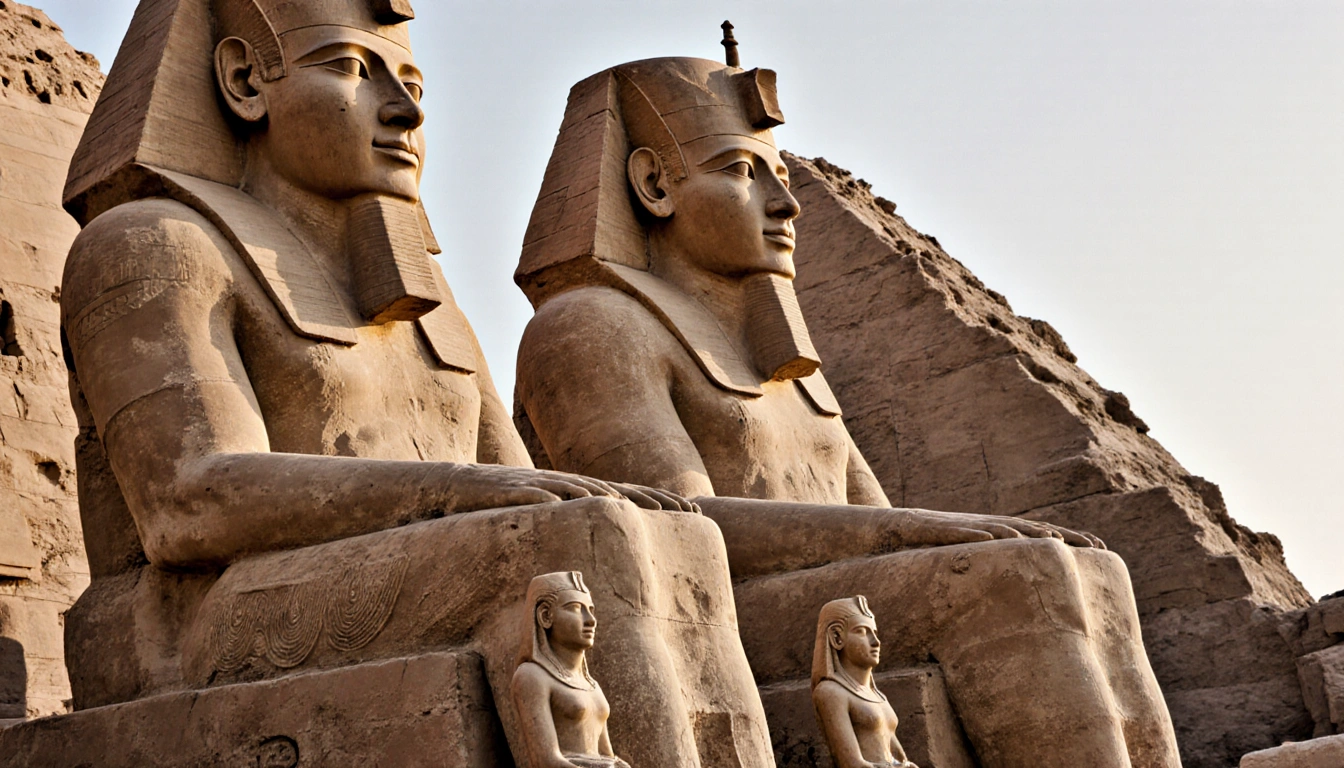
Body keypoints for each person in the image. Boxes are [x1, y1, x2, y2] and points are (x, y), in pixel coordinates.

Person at [58, 4, 772, 765]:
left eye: (411, 84)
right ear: (242, 81)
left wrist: (487, 494)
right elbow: (186, 502)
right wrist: (453, 491)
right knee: (582, 537)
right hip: (198, 614)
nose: (403, 112)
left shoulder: (436, 305)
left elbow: (529, 487)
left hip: (394, 563)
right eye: (349, 69)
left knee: (661, 532)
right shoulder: (152, 243)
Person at [515, 56, 1182, 767]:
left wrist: (944, 534)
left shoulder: (788, 367)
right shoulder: (593, 327)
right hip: (720, 611)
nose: (786, 204)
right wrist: (937, 533)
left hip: (827, 598)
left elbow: (872, 519)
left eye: (784, 179)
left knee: (1092, 569)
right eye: (743, 171)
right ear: (653, 185)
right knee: (1023, 575)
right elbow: (674, 534)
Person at [512, 572, 629, 768]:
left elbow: (606, 755)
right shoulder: (532, 676)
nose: (590, 620)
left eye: (591, 610)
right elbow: (546, 761)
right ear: (545, 616)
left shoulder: (592, 686)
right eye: (575, 608)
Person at [812, 597, 916, 768]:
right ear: (837, 637)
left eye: (875, 633)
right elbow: (852, 764)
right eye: (861, 631)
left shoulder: (878, 696)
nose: (876, 642)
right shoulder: (830, 693)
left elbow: (898, 758)